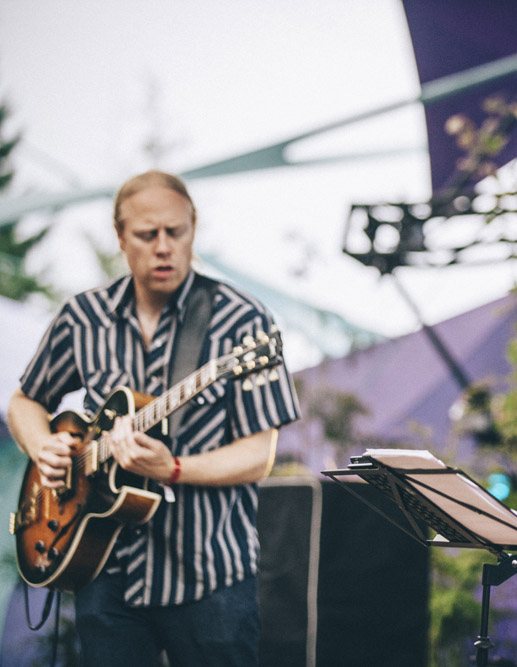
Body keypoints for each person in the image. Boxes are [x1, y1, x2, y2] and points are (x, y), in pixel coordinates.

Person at [7, 170, 301, 666]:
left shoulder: (244, 322)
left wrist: (173, 469)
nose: (164, 246)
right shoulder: (83, 317)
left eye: (176, 232)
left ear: (192, 229)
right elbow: (24, 403)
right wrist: (43, 446)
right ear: (121, 238)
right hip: (102, 569)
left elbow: (258, 454)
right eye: (147, 235)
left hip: (211, 577)